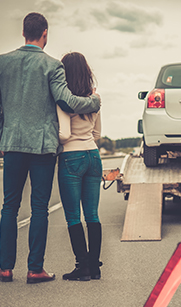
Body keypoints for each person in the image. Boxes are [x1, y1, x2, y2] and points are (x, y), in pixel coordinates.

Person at [0, 13, 101, 284]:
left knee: (9, 207)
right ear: (45, 33)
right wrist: (94, 103)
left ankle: (5, 268)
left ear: (24, 32)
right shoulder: (52, 66)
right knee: (39, 208)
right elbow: (67, 101)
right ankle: (35, 269)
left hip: (12, 145)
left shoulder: (2, 62)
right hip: (43, 149)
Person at [56, 52, 103, 281]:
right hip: (93, 155)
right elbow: (98, 133)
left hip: (70, 156)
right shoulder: (94, 98)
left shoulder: (62, 101)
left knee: (73, 216)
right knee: (92, 214)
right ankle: (94, 267)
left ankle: (81, 267)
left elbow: (62, 134)